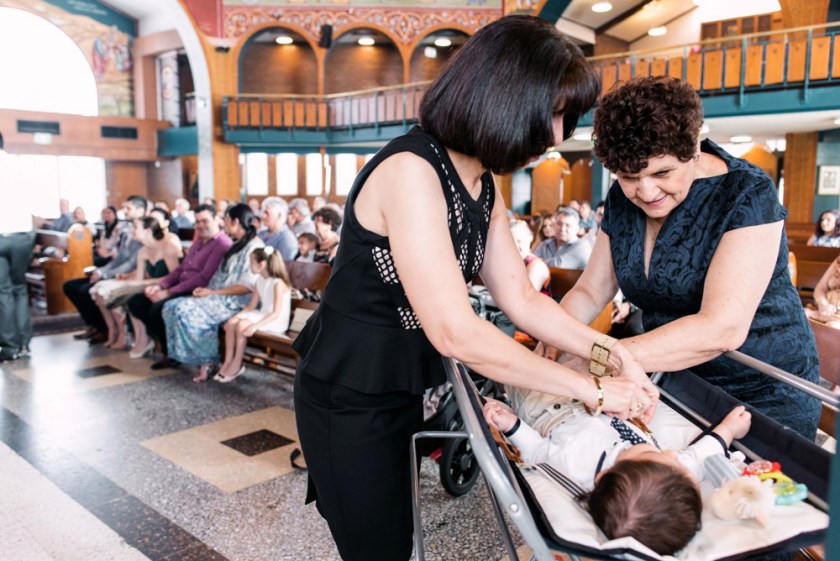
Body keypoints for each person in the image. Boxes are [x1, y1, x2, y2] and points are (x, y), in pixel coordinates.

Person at [291, 17, 655, 561]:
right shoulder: (412, 168)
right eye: (553, 114)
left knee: (393, 533)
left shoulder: (480, 181)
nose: (558, 136)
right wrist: (593, 390)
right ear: (503, 96)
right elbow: (456, 331)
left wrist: (611, 352)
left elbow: (523, 300)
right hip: (346, 391)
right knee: (378, 545)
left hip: (394, 388)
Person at [559, 75, 821, 439]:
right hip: (671, 381)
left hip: (762, 395)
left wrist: (599, 355)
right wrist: (554, 338)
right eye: (628, 176)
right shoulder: (623, 199)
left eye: (663, 172)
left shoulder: (746, 194)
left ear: (694, 147)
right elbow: (590, 291)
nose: (646, 191)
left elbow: (721, 328)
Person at [482, 391, 752, 556]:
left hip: (547, 408)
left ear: (605, 476)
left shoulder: (578, 465)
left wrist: (512, 426)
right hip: (599, 398)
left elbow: (538, 450)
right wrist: (730, 429)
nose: (670, 453)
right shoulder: (672, 472)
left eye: (651, 454)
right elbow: (699, 455)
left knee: (526, 371)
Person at [162, 204, 262, 381]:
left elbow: (247, 286)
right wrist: (207, 291)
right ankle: (189, 357)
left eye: (226, 219)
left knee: (185, 310)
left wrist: (213, 292)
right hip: (221, 296)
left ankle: (208, 361)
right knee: (170, 306)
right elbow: (219, 275)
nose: (224, 223)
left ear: (235, 221)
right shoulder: (237, 244)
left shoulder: (255, 247)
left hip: (238, 302)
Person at [126, 204, 232, 368]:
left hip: (198, 291)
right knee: (136, 302)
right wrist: (160, 286)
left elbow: (204, 278)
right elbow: (181, 270)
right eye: (197, 222)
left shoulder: (221, 243)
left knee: (157, 309)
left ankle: (171, 354)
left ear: (217, 220)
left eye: (205, 220)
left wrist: (169, 292)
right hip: (180, 285)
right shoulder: (199, 242)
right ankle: (168, 346)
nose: (201, 225)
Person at [63, 196, 148, 345]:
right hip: (116, 271)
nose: (124, 211)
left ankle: (104, 329)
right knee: (70, 286)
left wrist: (105, 274)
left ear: (140, 210)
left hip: (129, 275)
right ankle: (94, 325)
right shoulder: (127, 229)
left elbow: (130, 263)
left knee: (86, 291)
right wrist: (100, 271)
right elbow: (120, 257)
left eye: (128, 208)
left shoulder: (144, 230)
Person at [89, 217, 182, 350]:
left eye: (135, 227)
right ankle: (126, 333)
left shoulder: (167, 246)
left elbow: (174, 276)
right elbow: (138, 278)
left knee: (128, 298)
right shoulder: (143, 251)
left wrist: (143, 283)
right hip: (148, 284)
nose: (131, 230)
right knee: (106, 291)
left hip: (165, 286)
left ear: (147, 230)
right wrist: (125, 280)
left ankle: (137, 337)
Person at [215, 246, 292, 382]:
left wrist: (255, 325)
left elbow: (276, 312)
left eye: (251, 262)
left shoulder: (278, 283)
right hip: (263, 315)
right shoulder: (259, 281)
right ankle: (227, 361)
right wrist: (234, 317)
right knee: (233, 323)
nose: (249, 265)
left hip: (276, 320)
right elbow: (251, 306)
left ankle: (236, 364)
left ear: (261, 264)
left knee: (242, 325)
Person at [0, 143, 36, 360]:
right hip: (22, 236)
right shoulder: (20, 165)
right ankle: (24, 343)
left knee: (3, 292)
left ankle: (9, 346)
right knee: (19, 288)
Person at [805, 255, 840, 328]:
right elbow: (820, 288)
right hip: (825, 309)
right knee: (802, 315)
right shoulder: (838, 260)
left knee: (832, 326)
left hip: (837, 317)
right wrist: (823, 305)